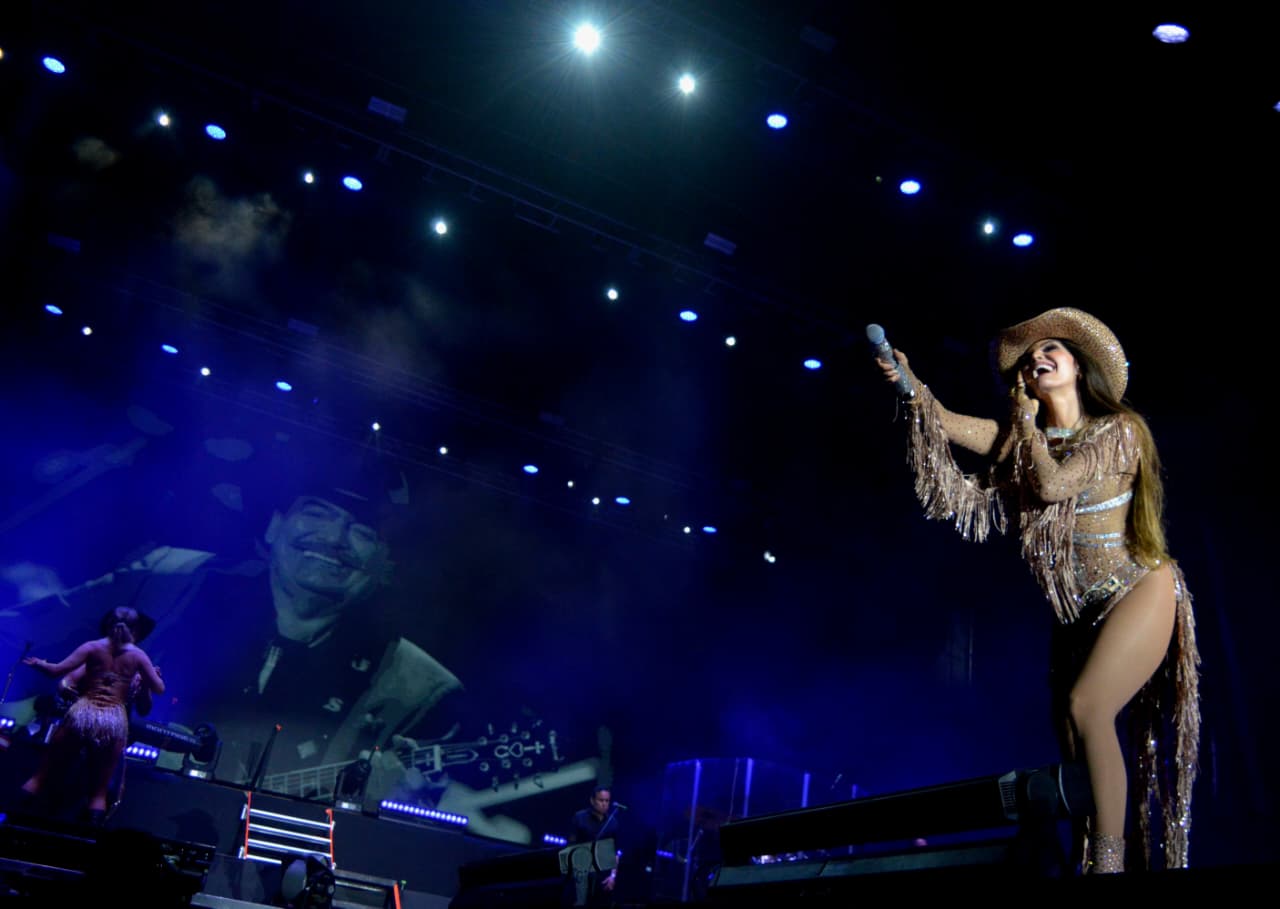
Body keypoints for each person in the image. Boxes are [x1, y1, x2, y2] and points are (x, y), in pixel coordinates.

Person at [875, 307, 1200, 873]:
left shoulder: (1119, 431)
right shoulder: (1026, 441)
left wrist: (1023, 426)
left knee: (1088, 706)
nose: (1036, 359)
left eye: (1050, 350)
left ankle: (1109, 866)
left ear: (1079, 366)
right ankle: (1084, 856)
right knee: (1073, 741)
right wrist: (910, 385)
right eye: (1027, 358)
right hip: (1079, 614)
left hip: (1139, 588)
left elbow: (1053, 485)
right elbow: (950, 423)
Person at [4, 478, 465, 809]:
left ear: (383, 564)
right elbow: (22, 634)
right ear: (273, 527)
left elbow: (408, 815)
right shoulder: (170, 580)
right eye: (318, 512)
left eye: (362, 531)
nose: (334, 539)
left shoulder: (416, 687)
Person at [15, 606, 165, 825]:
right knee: (99, 792)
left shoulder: (93, 648)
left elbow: (57, 670)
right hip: (112, 719)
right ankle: (87, 838)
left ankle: (12, 820)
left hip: (83, 713)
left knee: (42, 776)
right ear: (136, 630)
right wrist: (150, 677)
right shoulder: (139, 658)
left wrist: (40, 664)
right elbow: (66, 679)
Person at [565, 786, 622, 906]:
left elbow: (615, 853)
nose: (604, 804)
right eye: (601, 800)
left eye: (607, 801)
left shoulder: (613, 823)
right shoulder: (579, 818)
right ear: (592, 800)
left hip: (602, 877)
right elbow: (570, 847)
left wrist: (613, 876)